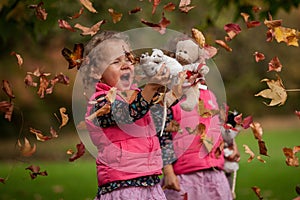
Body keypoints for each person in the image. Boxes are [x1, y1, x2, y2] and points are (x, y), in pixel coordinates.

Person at [82, 31, 170, 200]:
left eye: (128, 59)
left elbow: (161, 112)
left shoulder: (138, 96)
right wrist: (150, 88)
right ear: (96, 72)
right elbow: (127, 115)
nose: (125, 65)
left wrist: (174, 85)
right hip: (122, 186)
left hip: (151, 183)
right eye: (115, 61)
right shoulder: (99, 102)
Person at [155, 40, 240, 200]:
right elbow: (163, 139)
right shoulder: (171, 99)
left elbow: (220, 128)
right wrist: (168, 172)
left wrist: (232, 146)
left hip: (215, 173)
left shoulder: (210, 95)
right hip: (184, 175)